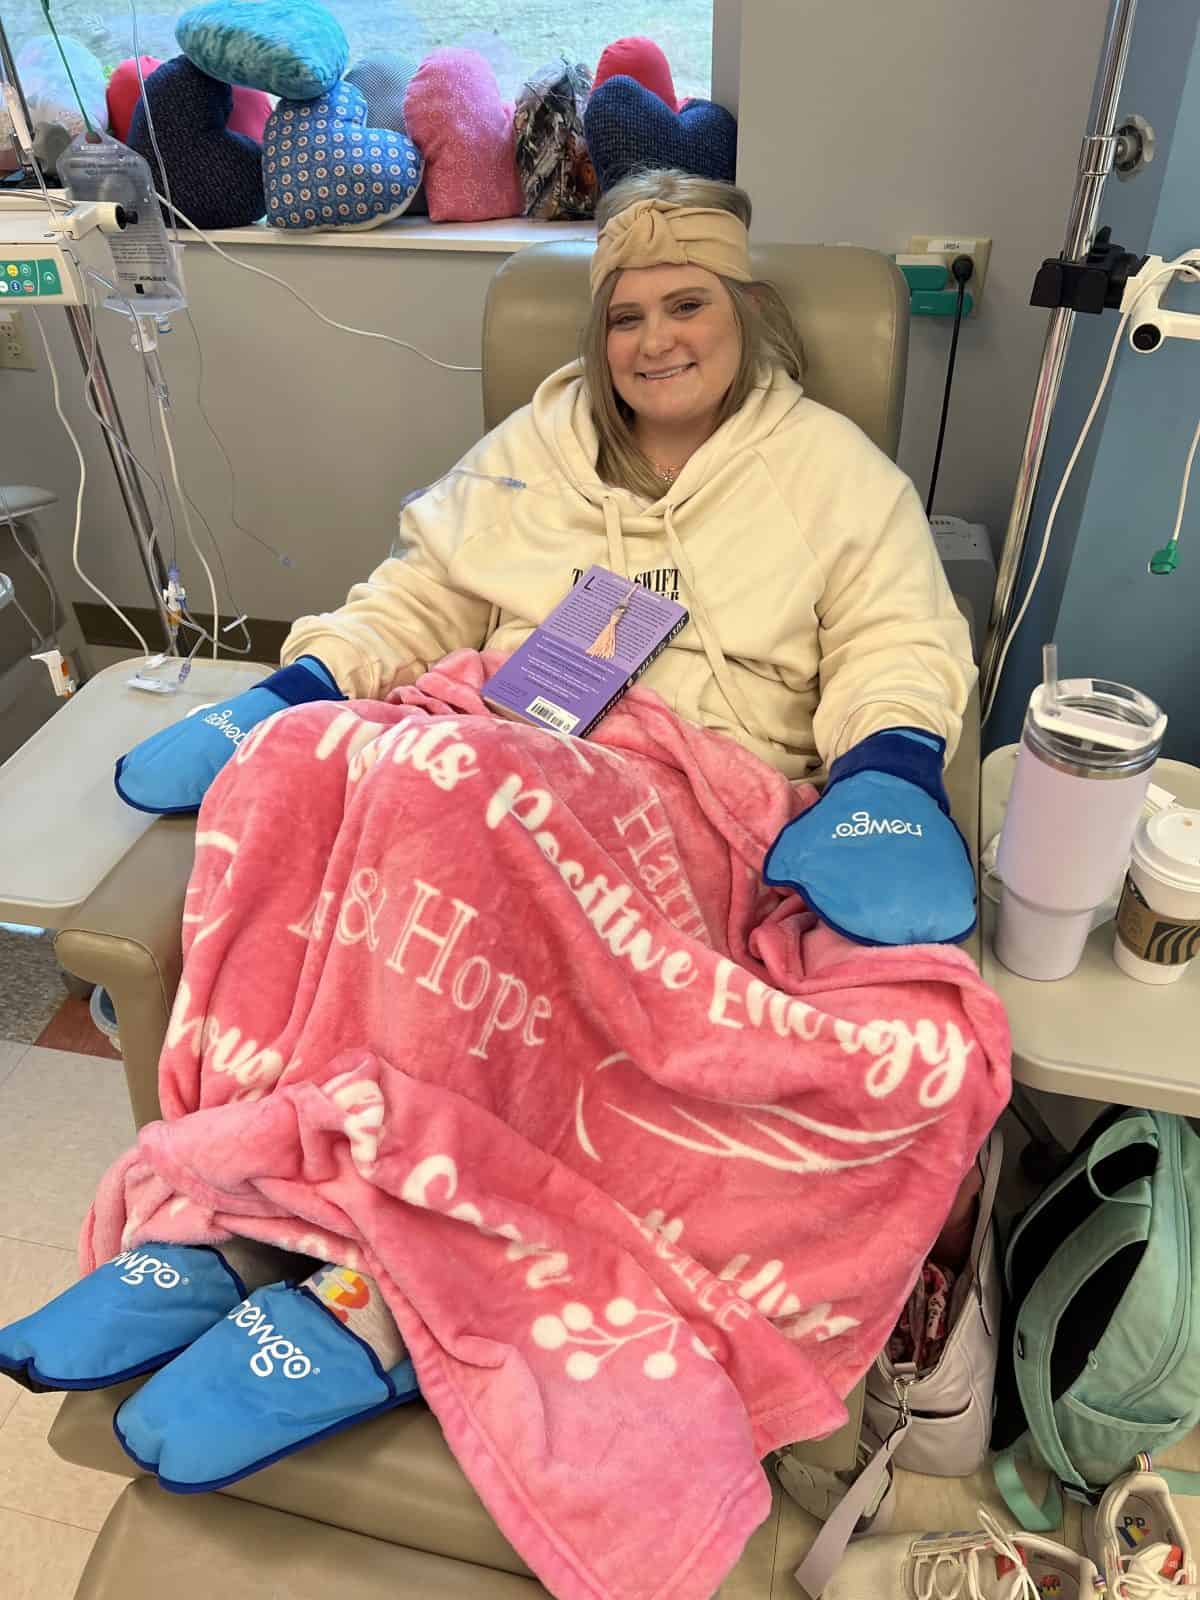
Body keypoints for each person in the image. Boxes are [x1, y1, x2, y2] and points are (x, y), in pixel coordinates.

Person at [1, 168, 978, 1488]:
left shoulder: (831, 474)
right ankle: (246, 1225)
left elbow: (896, 641)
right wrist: (299, 686)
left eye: (686, 304)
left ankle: (388, 1294)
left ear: (746, 312)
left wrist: (891, 768)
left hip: (694, 789)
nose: (655, 342)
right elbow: (420, 597)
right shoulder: (539, 443)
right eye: (625, 317)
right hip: (496, 741)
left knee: (457, 793)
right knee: (339, 772)